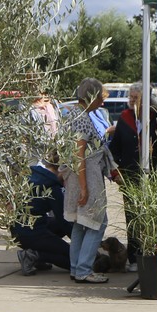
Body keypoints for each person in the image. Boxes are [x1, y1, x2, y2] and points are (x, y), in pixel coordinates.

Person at [63, 78, 115, 284]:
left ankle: (76, 268)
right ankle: (84, 269)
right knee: (97, 222)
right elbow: (79, 154)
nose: (102, 102)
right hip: (87, 175)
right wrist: (84, 188)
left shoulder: (72, 114)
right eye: (100, 98)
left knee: (79, 222)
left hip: (75, 175)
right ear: (91, 97)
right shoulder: (82, 118)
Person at [110, 81, 157, 270]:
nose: (132, 101)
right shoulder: (124, 118)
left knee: (153, 216)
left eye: (136, 98)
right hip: (130, 177)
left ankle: (154, 253)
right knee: (133, 217)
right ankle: (134, 257)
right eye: (130, 97)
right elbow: (114, 150)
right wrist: (116, 173)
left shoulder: (156, 118)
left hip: (153, 178)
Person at [12, 162, 72, 275]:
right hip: (32, 233)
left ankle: (38, 254)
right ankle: (34, 256)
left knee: (58, 226)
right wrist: (79, 243)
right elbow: (63, 220)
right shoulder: (52, 187)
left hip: (18, 229)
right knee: (75, 260)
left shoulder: (32, 173)